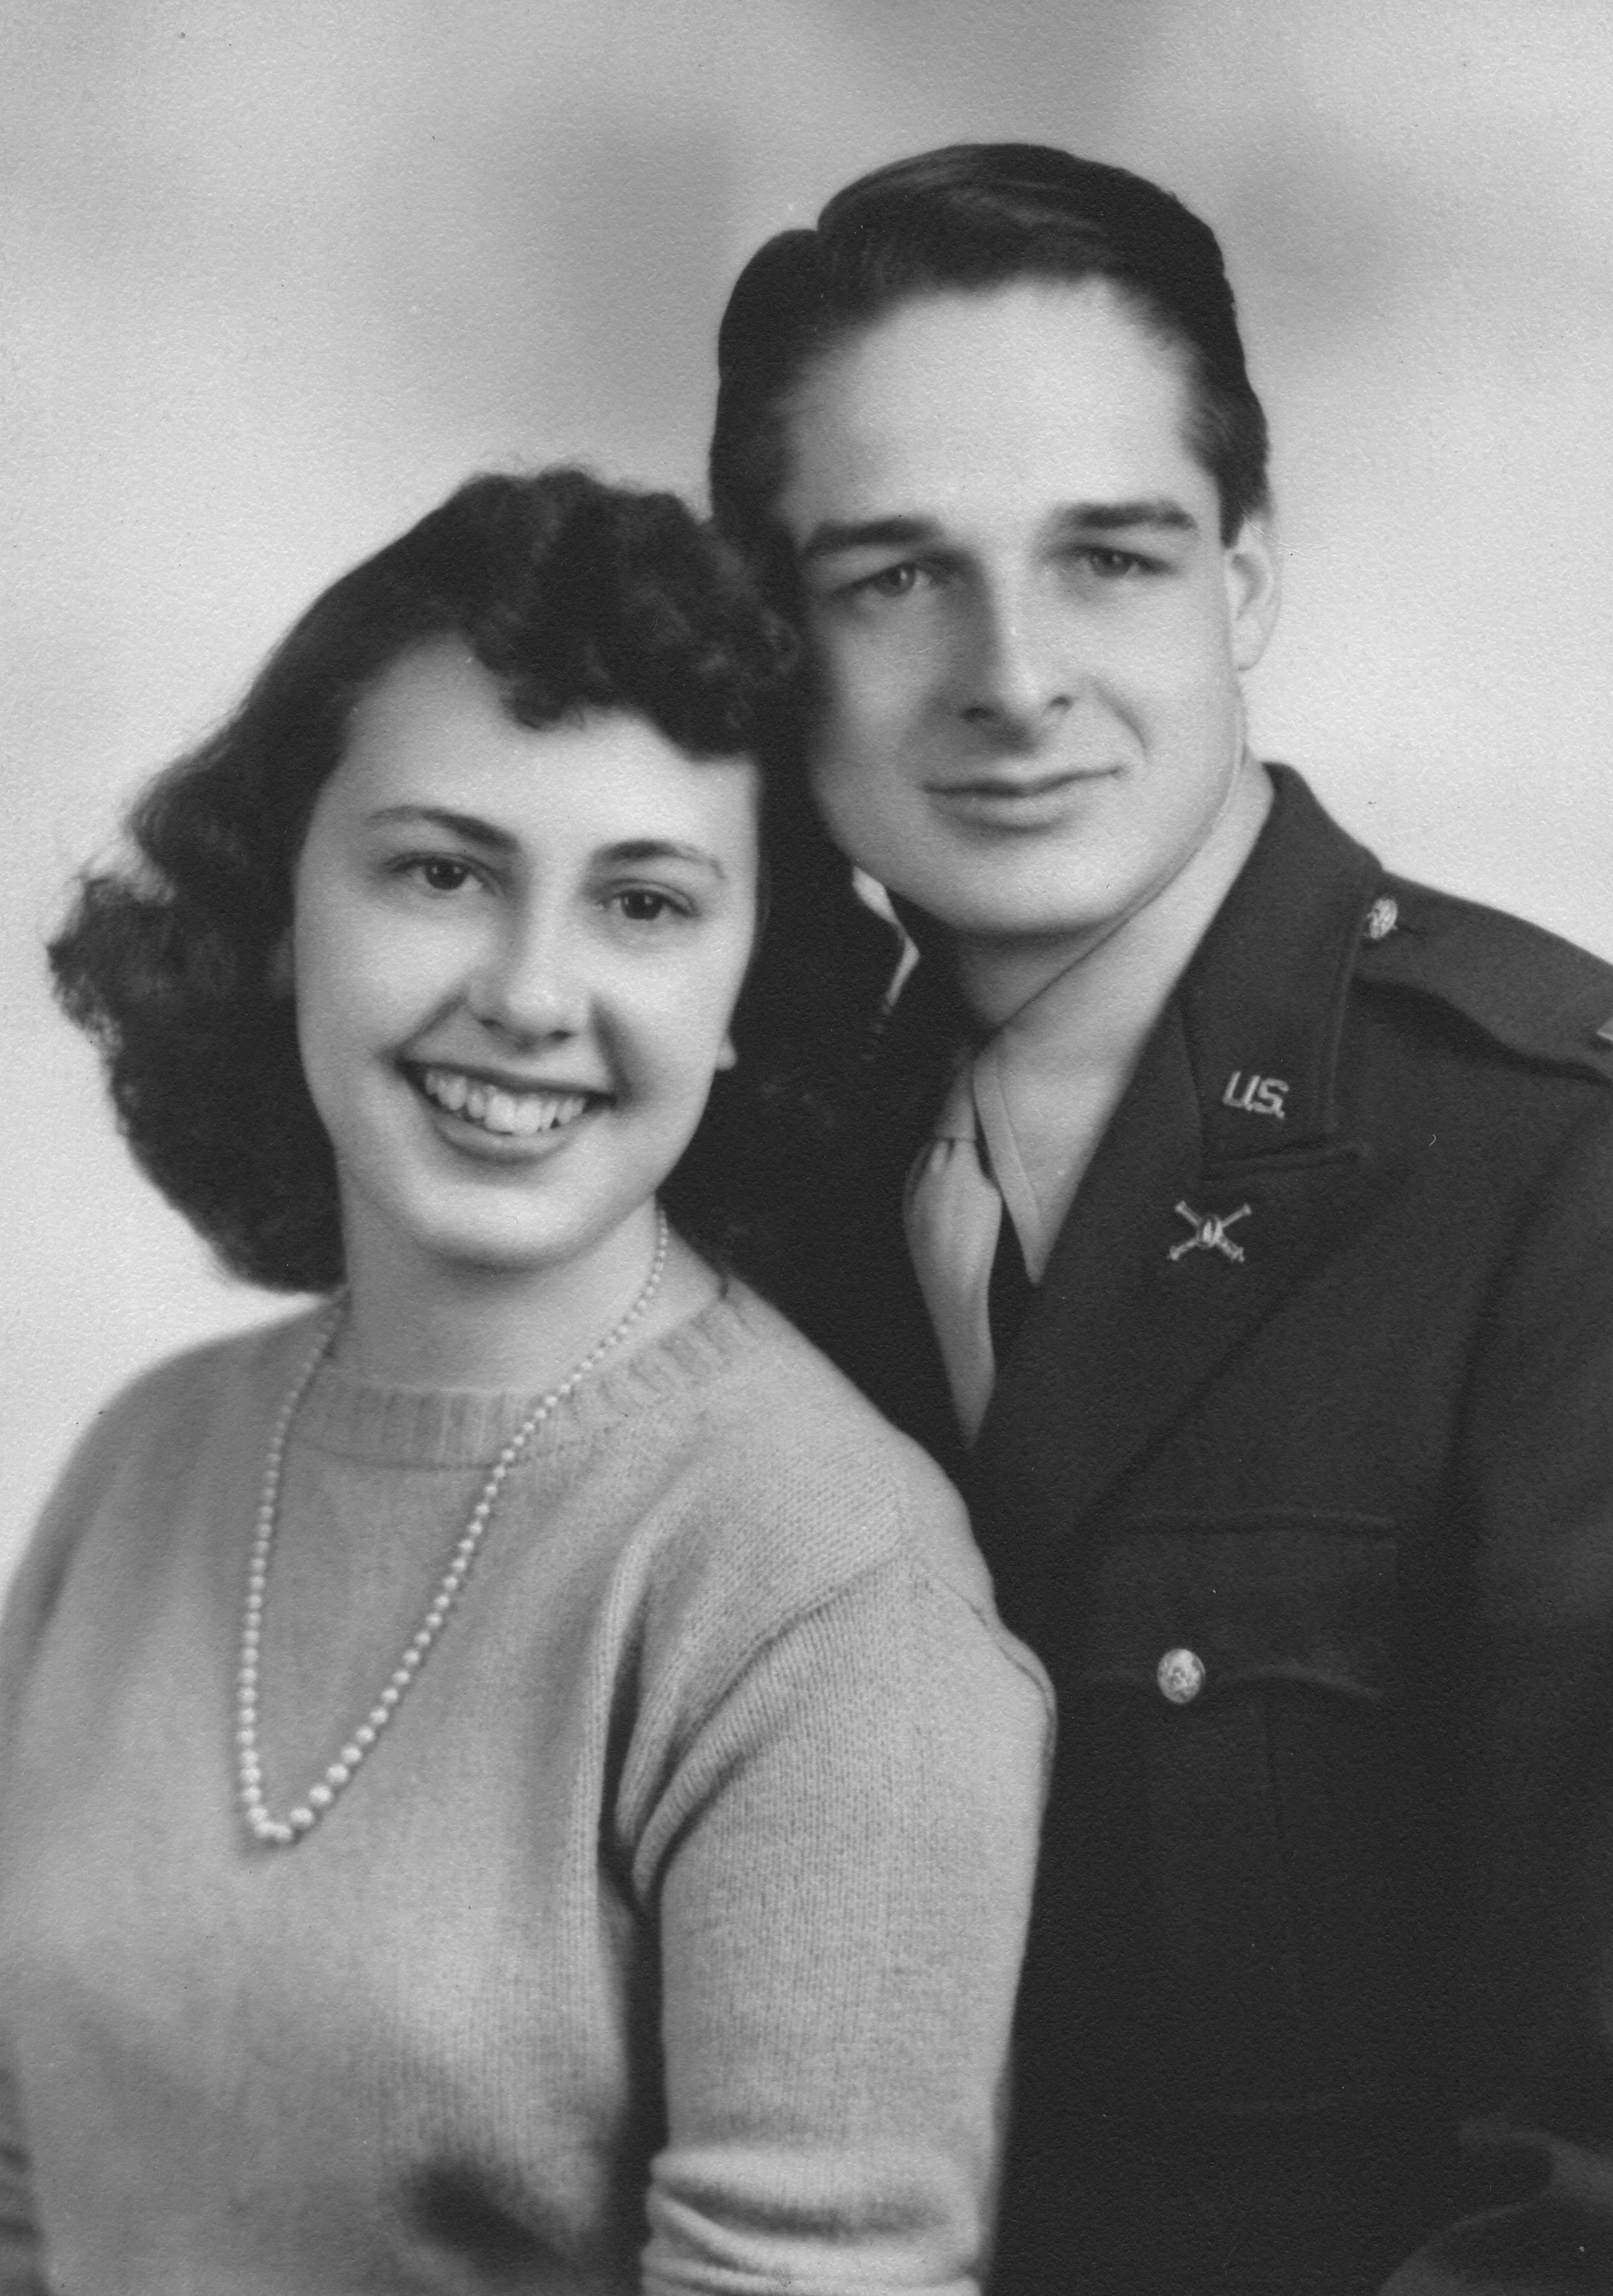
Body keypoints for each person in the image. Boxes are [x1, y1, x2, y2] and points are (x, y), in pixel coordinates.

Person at [709, 144, 1613, 2295]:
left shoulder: (1547, 1169)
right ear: (771, 646)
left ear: (1245, 579)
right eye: (892, 576)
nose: (1012, 676)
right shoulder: (742, 1194)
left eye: (1105, 557)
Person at [0, 467, 1051, 2294]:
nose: (531, 991)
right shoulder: (144, 1463)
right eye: (439, 869)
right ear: (276, 905)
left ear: (744, 990)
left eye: (642, 904)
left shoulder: (822, 1583)